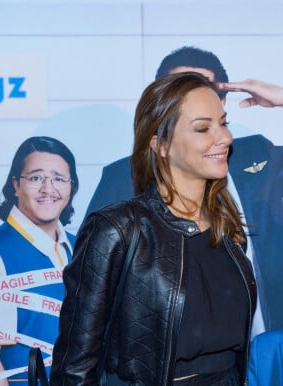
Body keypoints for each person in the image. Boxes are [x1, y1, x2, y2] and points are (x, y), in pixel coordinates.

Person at [85, 45, 283, 335]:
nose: (196, 100)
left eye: (205, 88)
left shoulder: (257, 156)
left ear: (224, 98)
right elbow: (92, 290)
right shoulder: (121, 178)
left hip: (270, 350)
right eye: (180, 89)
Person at [51, 72, 257, 385]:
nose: (225, 138)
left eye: (224, 123)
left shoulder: (227, 230)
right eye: (203, 128)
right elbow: (75, 369)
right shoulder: (116, 230)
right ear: (160, 144)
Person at [0, 136, 79, 386]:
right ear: (16, 186)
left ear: (71, 188)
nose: (48, 188)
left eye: (59, 179)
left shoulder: (82, 246)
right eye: (35, 178)